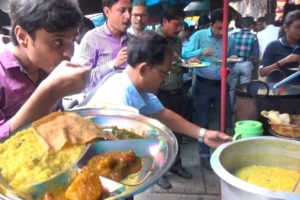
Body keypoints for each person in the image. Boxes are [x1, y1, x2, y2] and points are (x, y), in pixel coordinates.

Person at [82, 31, 232, 174]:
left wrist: (203, 135)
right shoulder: (120, 102)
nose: (165, 79)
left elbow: (162, 113)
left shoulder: (136, 87)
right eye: (163, 74)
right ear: (144, 69)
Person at [0, 0, 89, 140]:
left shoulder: (47, 66)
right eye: (58, 42)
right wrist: (49, 93)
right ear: (23, 36)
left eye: (71, 42)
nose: (69, 54)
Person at [182, 8, 236, 170]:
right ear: (211, 24)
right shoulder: (199, 36)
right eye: (219, 28)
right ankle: (204, 155)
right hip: (203, 83)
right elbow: (185, 53)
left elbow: (230, 58)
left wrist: (231, 63)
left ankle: (222, 153)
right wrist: (200, 52)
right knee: (203, 120)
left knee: (224, 119)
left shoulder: (230, 39)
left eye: (225, 28)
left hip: (222, 83)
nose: (222, 32)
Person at [155, 5, 198, 189]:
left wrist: (186, 63)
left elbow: (177, 63)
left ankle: (175, 165)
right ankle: (159, 171)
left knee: (177, 132)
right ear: (164, 22)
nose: (180, 28)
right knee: (160, 134)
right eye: (176, 24)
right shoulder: (154, 41)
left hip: (177, 91)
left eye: (181, 24)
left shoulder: (177, 41)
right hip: (158, 95)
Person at [73, 0, 132, 91]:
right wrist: (113, 64)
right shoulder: (92, 39)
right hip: (101, 103)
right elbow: (83, 79)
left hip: (131, 102)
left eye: (130, 11)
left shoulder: (133, 40)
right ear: (107, 11)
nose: (128, 16)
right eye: (122, 10)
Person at [259, 10, 300, 83]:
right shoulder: (273, 46)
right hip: (278, 91)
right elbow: (262, 73)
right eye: (297, 27)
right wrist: (284, 61)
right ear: (286, 28)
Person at [229, 16, 260, 107]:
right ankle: (241, 108)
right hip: (246, 63)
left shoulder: (233, 35)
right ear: (251, 26)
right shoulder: (253, 37)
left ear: (242, 25)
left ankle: (229, 108)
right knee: (243, 89)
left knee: (231, 88)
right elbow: (255, 54)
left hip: (233, 63)